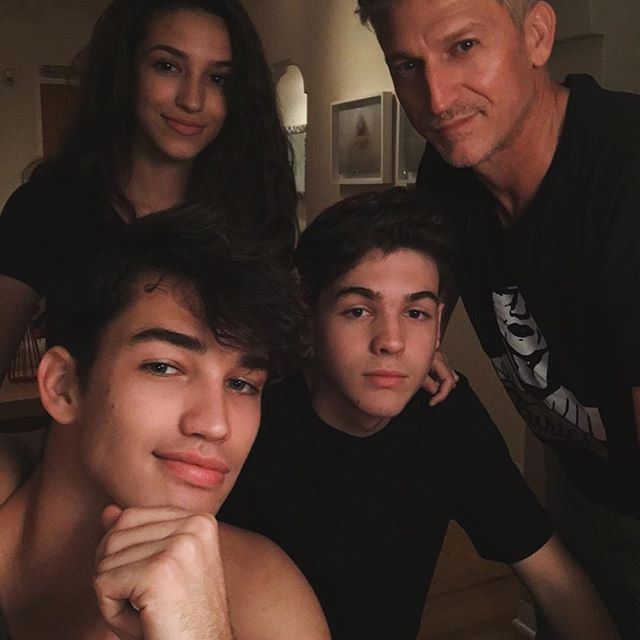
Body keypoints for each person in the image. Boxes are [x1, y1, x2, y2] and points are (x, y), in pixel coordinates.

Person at [355, 0, 640, 636]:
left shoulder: (624, 173)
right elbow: (419, 304)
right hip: (585, 478)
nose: (436, 98)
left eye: (463, 47)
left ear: (536, 35)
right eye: (407, 65)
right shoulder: (449, 173)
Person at [219, 189, 619, 640]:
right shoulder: (249, 417)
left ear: (439, 323)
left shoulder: (444, 414)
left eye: (415, 312)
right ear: (308, 315)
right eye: (358, 310)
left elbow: (555, 580)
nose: (391, 340)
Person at [0, 205, 330, 640]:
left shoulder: (263, 597)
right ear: (63, 386)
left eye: (242, 384)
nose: (216, 424)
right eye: (164, 367)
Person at [0, 0, 297, 385]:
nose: (192, 100)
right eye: (167, 66)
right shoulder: (47, 208)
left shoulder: (254, 214)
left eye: (217, 78)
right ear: (126, 72)